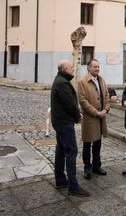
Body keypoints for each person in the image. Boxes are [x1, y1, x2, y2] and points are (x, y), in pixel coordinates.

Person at [50, 60, 90, 197]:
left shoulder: (60, 80)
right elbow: (70, 104)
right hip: (64, 122)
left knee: (61, 150)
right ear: (65, 69)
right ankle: (73, 186)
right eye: (71, 67)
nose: (73, 69)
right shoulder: (62, 83)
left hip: (60, 121)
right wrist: (77, 116)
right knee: (71, 152)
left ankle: (60, 180)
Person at [77, 58, 110, 180]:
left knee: (98, 143)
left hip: (101, 117)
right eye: (95, 67)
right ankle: (87, 168)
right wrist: (96, 113)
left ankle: (97, 166)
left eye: (98, 66)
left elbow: (106, 95)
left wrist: (105, 110)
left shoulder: (101, 79)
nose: (97, 69)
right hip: (90, 119)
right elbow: (82, 100)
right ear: (89, 68)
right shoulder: (82, 81)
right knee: (87, 144)